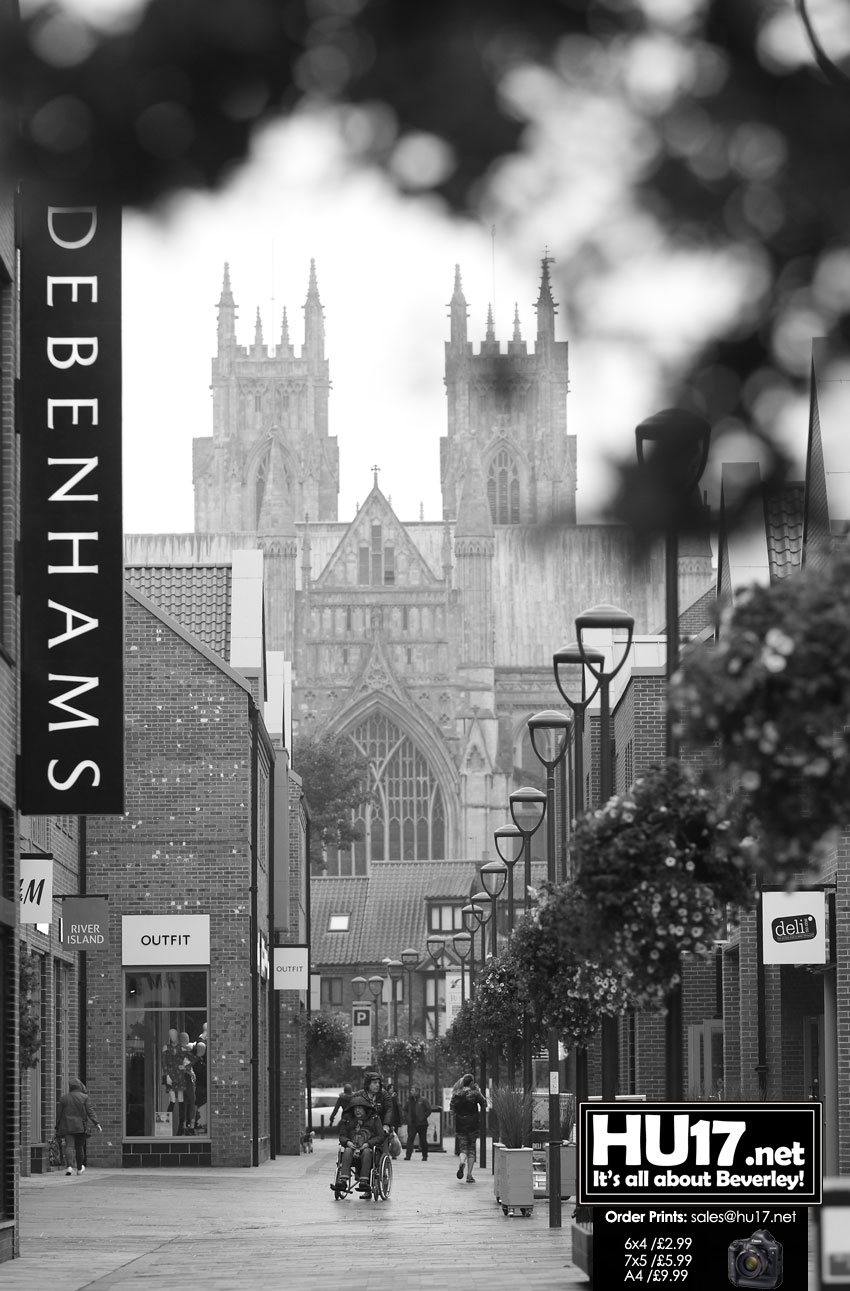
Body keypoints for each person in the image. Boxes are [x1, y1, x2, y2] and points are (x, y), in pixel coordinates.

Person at [337, 1097, 384, 1194]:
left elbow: (380, 1136)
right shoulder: (347, 1119)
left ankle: (364, 1181)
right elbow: (342, 1136)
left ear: (365, 1109)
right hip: (352, 1148)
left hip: (368, 1149)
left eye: (360, 1108)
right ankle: (343, 1180)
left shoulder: (374, 1118)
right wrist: (347, 1142)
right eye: (355, 1108)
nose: (357, 1110)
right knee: (347, 1150)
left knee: (366, 1152)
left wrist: (368, 1144)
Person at [55, 1078, 101, 1176]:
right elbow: (90, 1111)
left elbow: (59, 1115)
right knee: (79, 1147)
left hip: (67, 1126)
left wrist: (57, 1126)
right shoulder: (85, 1097)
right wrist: (96, 1123)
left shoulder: (64, 1098)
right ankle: (79, 1168)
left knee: (69, 1146)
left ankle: (69, 1167)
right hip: (80, 1126)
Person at [450, 1073, 487, 1183]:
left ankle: (462, 1162)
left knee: (463, 1148)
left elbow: (452, 1110)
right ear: (471, 1083)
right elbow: (484, 1103)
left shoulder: (456, 1094)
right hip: (472, 1125)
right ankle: (469, 1175)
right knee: (471, 1149)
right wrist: (478, 1091)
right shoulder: (474, 1093)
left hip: (460, 1125)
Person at [404, 1085, 432, 1161]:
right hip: (412, 1124)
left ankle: (425, 1155)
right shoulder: (409, 1101)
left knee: (423, 1140)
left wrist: (423, 1117)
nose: (411, 1092)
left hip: (422, 1124)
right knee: (410, 1140)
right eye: (411, 1090)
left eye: (412, 1090)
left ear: (417, 1091)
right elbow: (405, 1110)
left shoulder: (423, 1100)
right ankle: (408, 1155)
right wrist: (407, 1118)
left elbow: (429, 1110)